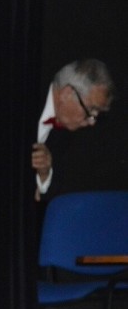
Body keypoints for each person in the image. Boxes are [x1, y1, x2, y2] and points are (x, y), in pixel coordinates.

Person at [31, 59, 114, 202]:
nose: (92, 122)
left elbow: (51, 198)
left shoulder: (73, 132)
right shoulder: (24, 97)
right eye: (91, 110)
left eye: (96, 115)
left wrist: (44, 174)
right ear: (66, 93)